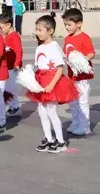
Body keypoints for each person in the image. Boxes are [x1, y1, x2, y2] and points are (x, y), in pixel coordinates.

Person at [27, 13, 79, 153]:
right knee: (42, 111)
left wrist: (51, 85)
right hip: (41, 81)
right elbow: (39, 66)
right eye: (36, 30)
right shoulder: (40, 47)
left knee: (51, 111)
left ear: (50, 31)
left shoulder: (54, 46)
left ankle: (61, 142)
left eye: (40, 30)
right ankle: (48, 138)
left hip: (52, 82)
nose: (37, 33)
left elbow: (60, 68)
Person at [62, 8, 96, 136]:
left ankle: (84, 125)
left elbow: (91, 53)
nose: (67, 27)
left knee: (82, 101)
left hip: (82, 76)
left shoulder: (84, 37)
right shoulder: (67, 39)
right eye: (65, 24)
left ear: (79, 23)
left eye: (69, 24)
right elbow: (66, 54)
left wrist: (82, 61)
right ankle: (76, 122)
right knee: (73, 102)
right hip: (71, 76)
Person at [0, 13, 23, 118]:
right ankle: (13, 106)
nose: (0, 30)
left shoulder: (14, 36)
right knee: (8, 87)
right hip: (7, 67)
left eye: (1, 27)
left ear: (8, 25)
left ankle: (14, 107)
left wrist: (16, 64)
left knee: (11, 88)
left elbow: (19, 51)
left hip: (13, 67)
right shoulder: (7, 36)